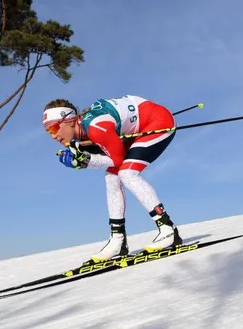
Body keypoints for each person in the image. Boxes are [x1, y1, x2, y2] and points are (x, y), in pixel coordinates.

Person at [42, 94, 182, 263]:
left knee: (126, 173)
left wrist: (85, 161)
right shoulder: (82, 132)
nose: (52, 136)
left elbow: (117, 159)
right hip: (135, 129)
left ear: (70, 121)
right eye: (48, 131)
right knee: (112, 177)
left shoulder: (95, 127)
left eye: (53, 128)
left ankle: (168, 230)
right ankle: (118, 241)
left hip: (158, 121)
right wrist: (84, 157)